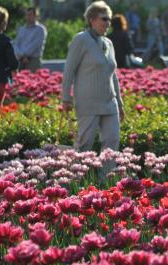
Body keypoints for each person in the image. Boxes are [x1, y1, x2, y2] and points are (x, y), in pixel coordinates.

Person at [61, 1, 125, 159]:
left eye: (109, 19)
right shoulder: (81, 39)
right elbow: (68, 70)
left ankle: (107, 180)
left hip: (110, 103)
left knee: (112, 142)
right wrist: (65, 98)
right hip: (88, 102)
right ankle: (80, 180)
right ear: (92, 19)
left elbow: (113, 75)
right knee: (85, 145)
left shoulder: (109, 43)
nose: (108, 23)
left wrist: (120, 103)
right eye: (104, 19)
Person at [13, 7, 47, 73]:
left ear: (36, 16)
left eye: (30, 15)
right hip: (20, 60)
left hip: (33, 61)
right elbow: (16, 44)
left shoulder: (40, 29)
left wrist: (25, 55)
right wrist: (21, 56)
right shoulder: (22, 29)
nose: (28, 17)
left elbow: (36, 45)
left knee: (33, 81)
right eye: (27, 15)